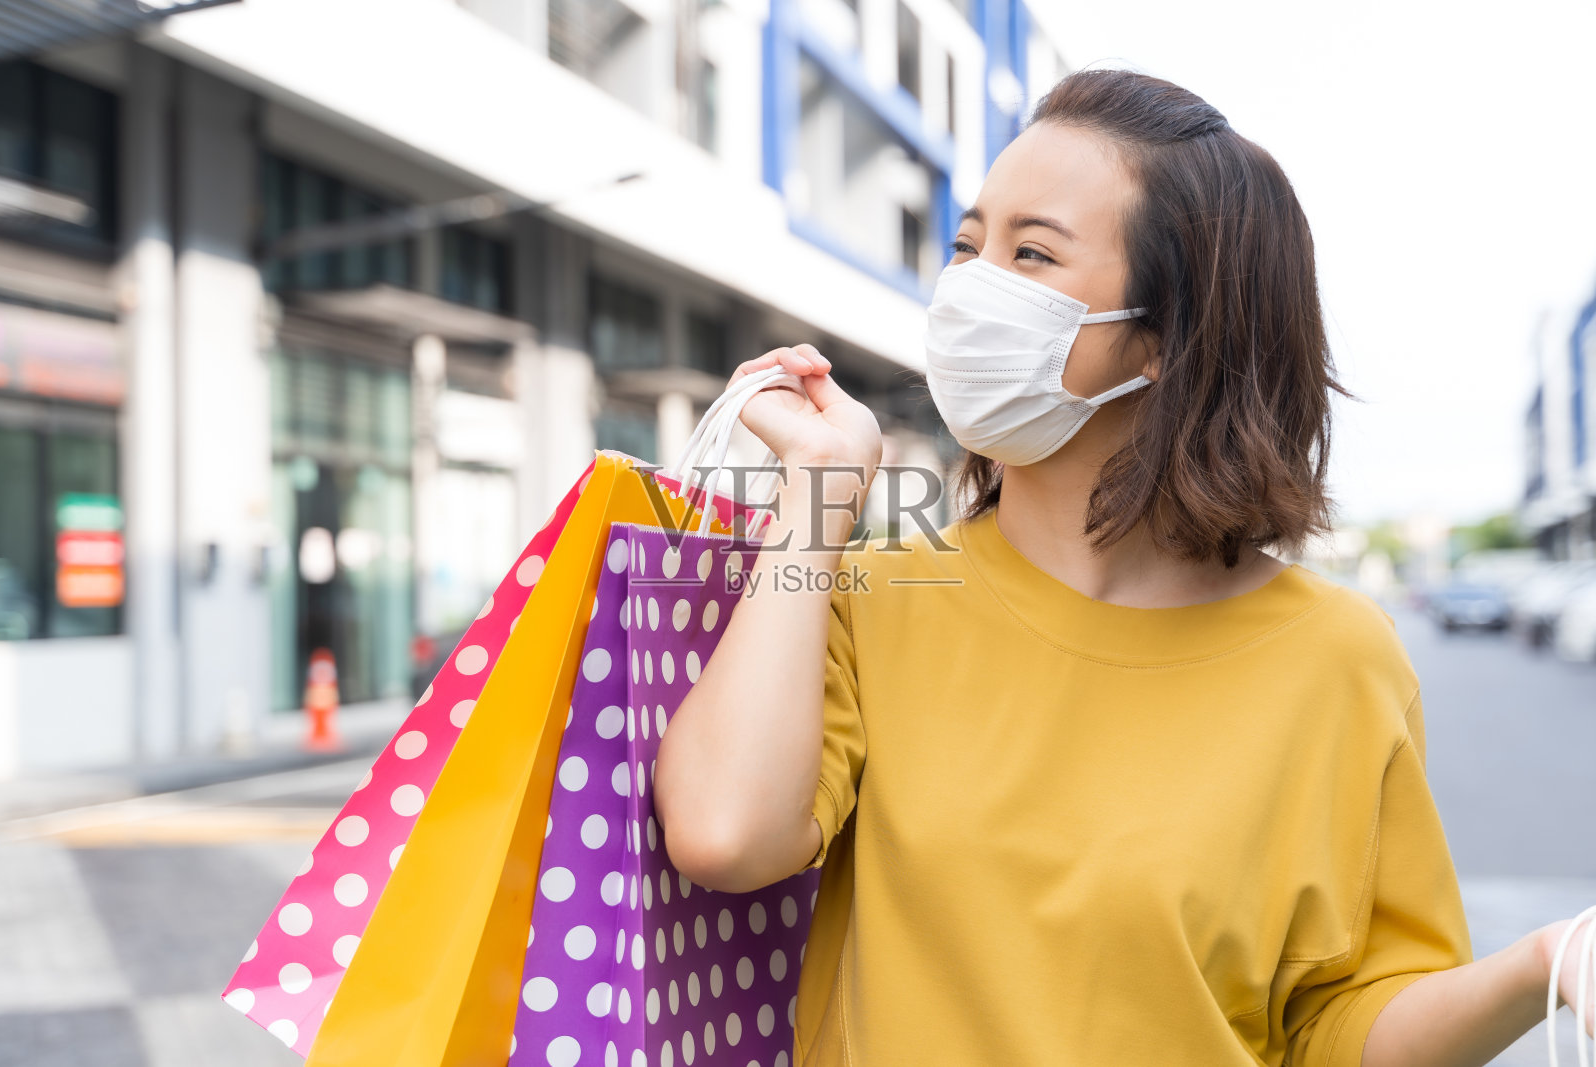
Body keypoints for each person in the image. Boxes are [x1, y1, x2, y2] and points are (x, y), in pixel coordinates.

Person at [653, 69, 1590, 1066]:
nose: (970, 285)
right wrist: (818, 488)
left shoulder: (1339, 658)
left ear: (1160, 336)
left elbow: (1339, 1025)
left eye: (1030, 253)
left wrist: (1544, 960)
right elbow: (724, 833)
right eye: (967, 246)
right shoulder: (871, 598)